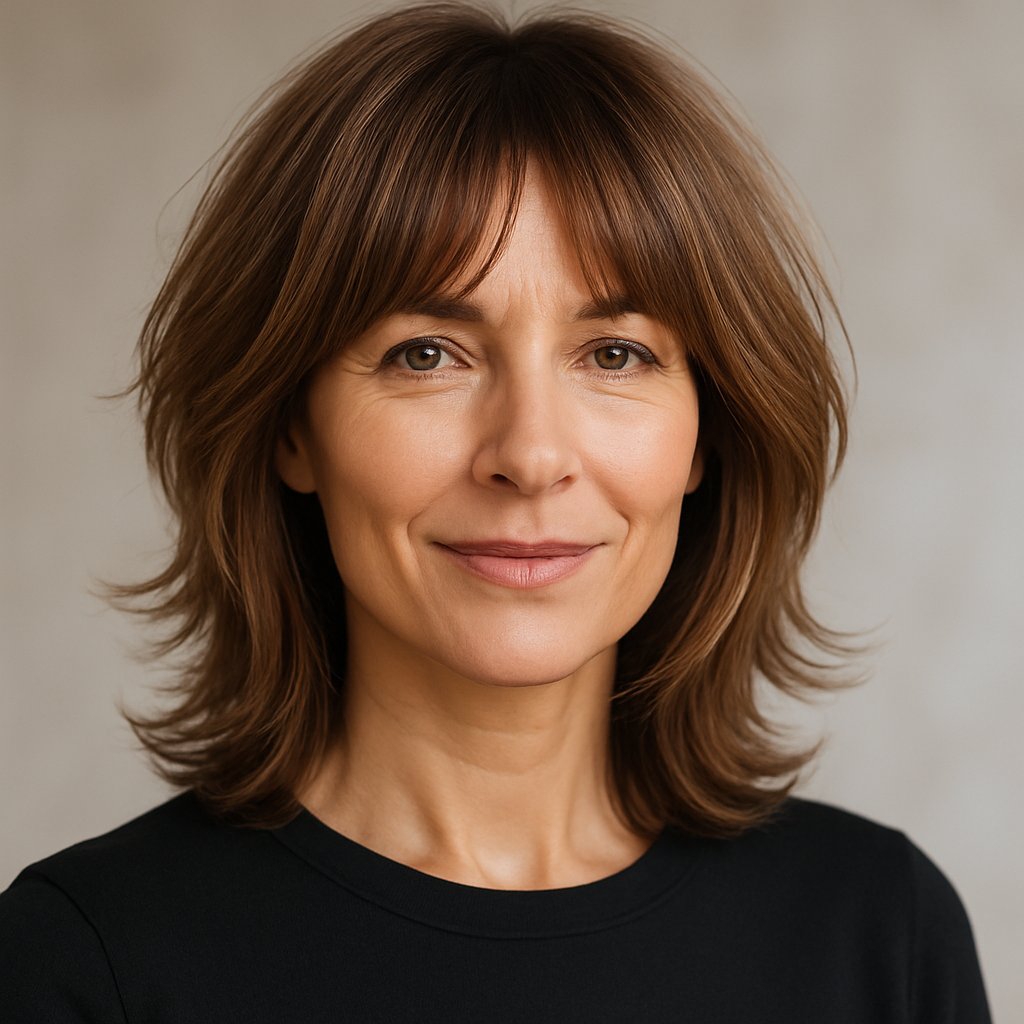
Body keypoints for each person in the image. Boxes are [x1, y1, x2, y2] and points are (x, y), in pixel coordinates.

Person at [0, 3, 991, 1021]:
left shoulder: (880, 935)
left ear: (707, 436)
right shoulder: (84, 963)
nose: (529, 454)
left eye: (615, 354)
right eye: (426, 353)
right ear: (290, 428)